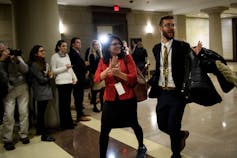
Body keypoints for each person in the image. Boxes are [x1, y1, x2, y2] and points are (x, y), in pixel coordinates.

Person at [150, 15, 202, 158]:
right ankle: (180, 135)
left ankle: (176, 154)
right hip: (162, 93)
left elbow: (191, 65)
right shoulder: (156, 49)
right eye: (167, 25)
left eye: (173, 25)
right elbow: (159, 68)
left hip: (177, 94)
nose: (171, 28)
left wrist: (197, 56)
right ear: (161, 28)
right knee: (161, 124)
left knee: (173, 124)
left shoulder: (182, 46)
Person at [94, 34, 147, 158]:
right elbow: (97, 78)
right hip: (110, 100)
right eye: (114, 44)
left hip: (128, 98)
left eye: (119, 44)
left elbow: (133, 78)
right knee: (105, 130)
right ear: (108, 47)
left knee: (134, 124)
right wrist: (109, 70)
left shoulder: (127, 58)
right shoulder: (103, 61)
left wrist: (119, 73)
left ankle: (141, 146)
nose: (118, 46)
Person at [1, 46, 30, 150]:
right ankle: (7, 139)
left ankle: (24, 135)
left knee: (23, 112)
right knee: (8, 115)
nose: (7, 52)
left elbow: (26, 69)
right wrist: (3, 60)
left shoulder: (15, 56)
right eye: (4, 50)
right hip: (9, 90)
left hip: (22, 87)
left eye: (7, 49)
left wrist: (17, 60)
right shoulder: (2, 61)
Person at [28, 45, 55, 141]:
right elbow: (41, 80)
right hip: (41, 92)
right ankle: (44, 135)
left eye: (44, 50)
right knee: (41, 114)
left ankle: (40, 130)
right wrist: (49, 76)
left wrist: (47, 75)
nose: (43, 52)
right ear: (36, 54)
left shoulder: (41, 63)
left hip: (44, 91)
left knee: (41, 113)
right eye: (41, 51)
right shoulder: (35, 64)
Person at [51, 40, 77, 130]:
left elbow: (70, 68)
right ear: (58, 47)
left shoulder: (67, 55)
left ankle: (69, 122)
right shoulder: (55, 56)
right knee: (63, 104)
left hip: (68, 81)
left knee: (68, 103)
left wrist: (74, 77)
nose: (65, 47)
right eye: (63, 46)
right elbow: (54, 70)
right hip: (61, 82)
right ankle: (64, 124)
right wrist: (64, 67)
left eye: (66, 46)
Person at [68, 37, 91, 122]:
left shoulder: (77, 52)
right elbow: (76, 67)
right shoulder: (72, 53)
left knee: (80, 97)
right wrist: (84, 71)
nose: (79, 44)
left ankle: (81, 112)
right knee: (78, 97)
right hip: (77, 78)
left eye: (80, 42)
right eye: (77, 42)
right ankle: (79, 115)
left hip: (80, 77)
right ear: (73, 44)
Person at [88, 40, 105, 112]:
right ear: (93, 46)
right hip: (95, 74)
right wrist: (97, 75)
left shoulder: (100, 53)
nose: (97, 46)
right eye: (95, 45)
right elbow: (93, 66)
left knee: (102, 91)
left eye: (98, 44)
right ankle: (94, 107)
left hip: (101, 74)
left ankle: (102, 106)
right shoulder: (92, 55)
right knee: (95, 91)